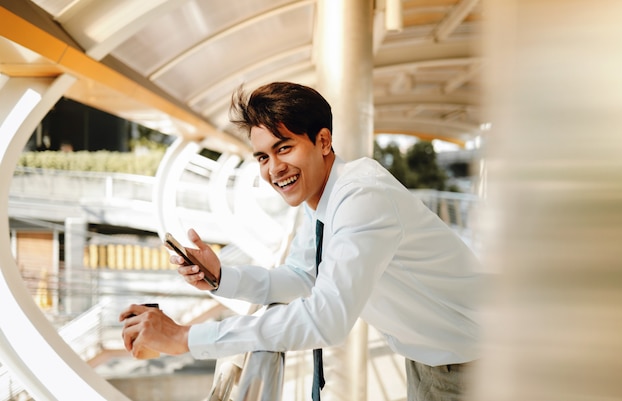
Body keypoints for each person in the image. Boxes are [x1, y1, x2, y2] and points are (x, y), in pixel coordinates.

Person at [120, 82, 485, 401]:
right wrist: (221, 276)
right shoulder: (322, 198)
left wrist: (186, 337)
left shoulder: (361, 198)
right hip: (434, 357)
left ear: (323, 141)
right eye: (263, 156)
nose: (273, 168)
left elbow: (327, 319)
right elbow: (300, 276)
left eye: (284, 148)